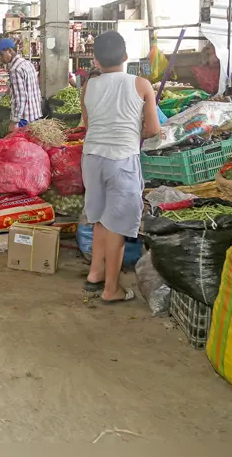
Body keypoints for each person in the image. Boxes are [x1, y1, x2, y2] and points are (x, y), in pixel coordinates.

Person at [81, 32, 160, 303]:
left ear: (96, 60)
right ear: (126, 57)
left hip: (92, 157)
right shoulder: (141, 84)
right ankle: (111, 289)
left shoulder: (88, 86)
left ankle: (95, 274)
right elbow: (152, 129)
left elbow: (88, 124)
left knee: (101, 218)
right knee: (117, 225)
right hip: (121, 159)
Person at [0, 37, 42, 128]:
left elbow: (21, 98)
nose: (0, 58)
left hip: (24, 119)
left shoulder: (15, 69)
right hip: (35, 115)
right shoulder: (27, 63)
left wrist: (14, 121)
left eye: (1, 54)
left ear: (10, 51)